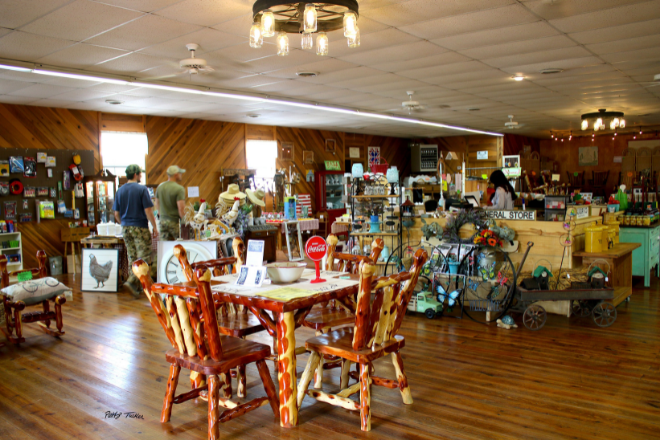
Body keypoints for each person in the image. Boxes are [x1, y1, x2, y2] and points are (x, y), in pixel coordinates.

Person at [113, 165, 158, 297]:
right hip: (140, 226)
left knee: (132, 257)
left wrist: (124, 223)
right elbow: (148, 210)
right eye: (140, 174)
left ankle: (137, 287)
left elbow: (116, 214)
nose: (141, 176)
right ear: (135, 175)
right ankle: (132, 281)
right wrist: (154, 226)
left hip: (125, 228)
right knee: (144, 257)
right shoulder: (141, 189)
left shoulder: (119, 191)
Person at [156, 165, 186, 241]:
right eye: (180, 173)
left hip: (162, 221)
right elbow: (181, 208)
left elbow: (157, 203)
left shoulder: (160, 187)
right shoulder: (179, 189)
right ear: (176, 175)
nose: (181, 175)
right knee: (180, 244)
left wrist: (161, 215)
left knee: (164, 245)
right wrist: (184, 222)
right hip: (174, 221)